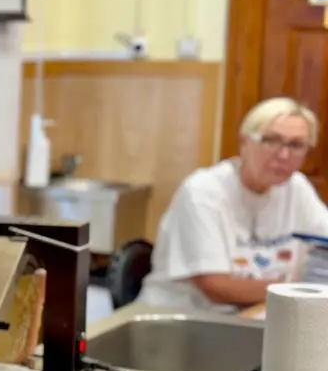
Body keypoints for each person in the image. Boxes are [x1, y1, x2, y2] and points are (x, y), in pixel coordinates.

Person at [137, 97, 328, 312]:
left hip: (253, 313)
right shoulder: (203, 191)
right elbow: (215, 287)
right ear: (244, 142)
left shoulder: (296, 187)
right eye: (271, 140)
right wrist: (298, 292)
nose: (284, 155)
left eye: (296, 145)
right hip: (183, 319)